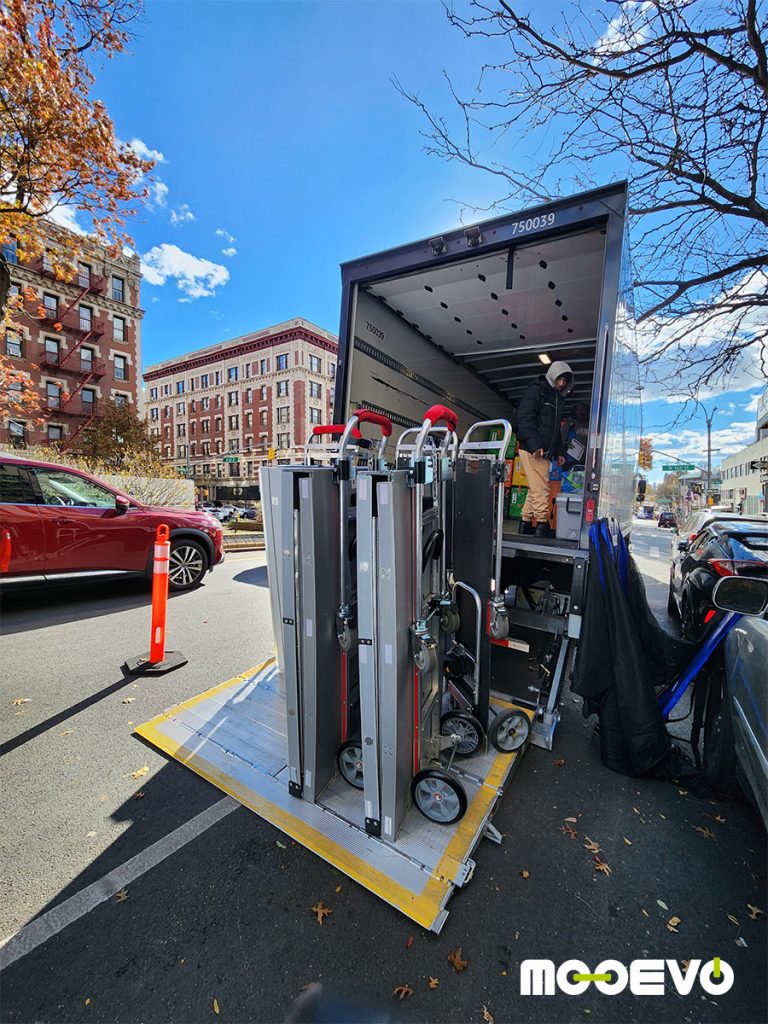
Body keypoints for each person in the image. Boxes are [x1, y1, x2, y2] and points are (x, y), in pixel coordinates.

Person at [515, 360, 574, 538]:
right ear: (552, 375)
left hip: (543, 450)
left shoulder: (556, 398)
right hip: (533, 448)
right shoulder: (537, 389)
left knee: (536, 487)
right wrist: (535, 444)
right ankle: (542, 524)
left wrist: (560, 452)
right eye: (559, 379)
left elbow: (555, 430)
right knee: (542, 488)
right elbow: (524, 417)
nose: (561, 383)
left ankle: (525, 522)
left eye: (564, 381)